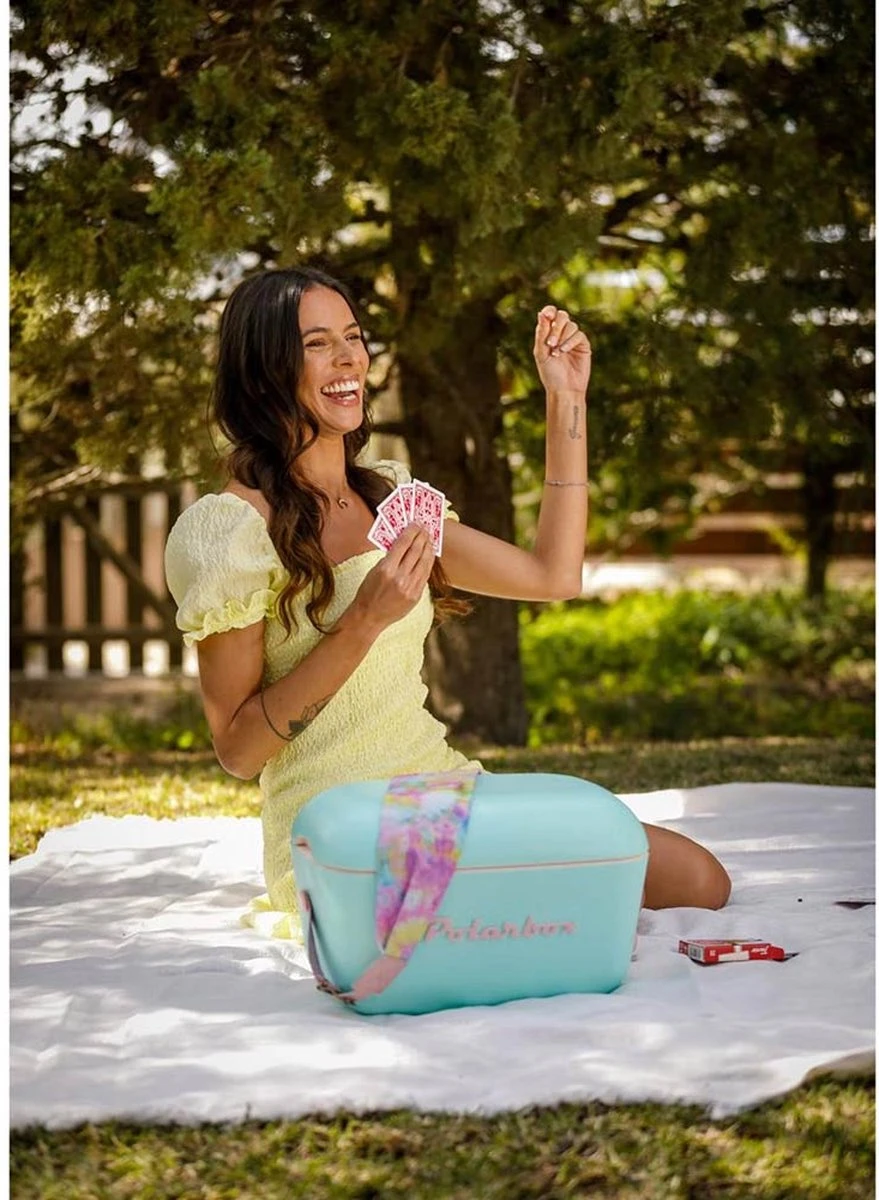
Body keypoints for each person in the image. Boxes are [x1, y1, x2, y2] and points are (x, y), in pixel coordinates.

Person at [164, 266, 731, 938]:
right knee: (524, 914)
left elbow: (553, 576)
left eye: (354, 337)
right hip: (339, 835)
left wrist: (565, 400)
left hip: (442, 795)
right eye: (317, 344)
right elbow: (238, 750)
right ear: (263, 374)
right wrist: (361, 622)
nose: (349, 359)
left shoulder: (392, 500)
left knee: (697, 880)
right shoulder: (228, 531)